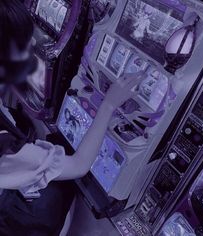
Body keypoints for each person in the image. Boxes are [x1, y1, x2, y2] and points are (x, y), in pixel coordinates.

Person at [0, 0, 144, 235]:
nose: (35, 42)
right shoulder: (6, 144)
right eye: (25, 41)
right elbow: (78, 165)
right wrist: (108, 104)